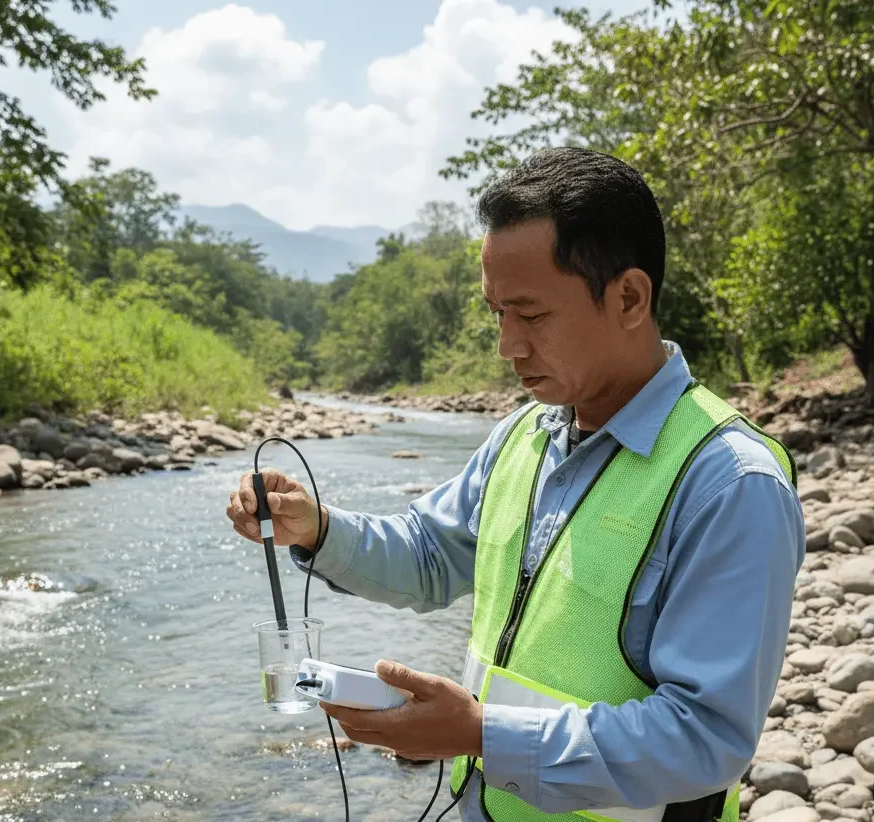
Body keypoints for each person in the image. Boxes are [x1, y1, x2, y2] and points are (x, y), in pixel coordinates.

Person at [226, 147, 806, 822]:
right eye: (495, 313)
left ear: (627, 297)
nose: (507, 345)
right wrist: (318, 529)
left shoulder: (730, 483)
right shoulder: (524, 435)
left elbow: (706, 739)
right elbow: (428, 554)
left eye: (529, 315)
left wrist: (478, 734)